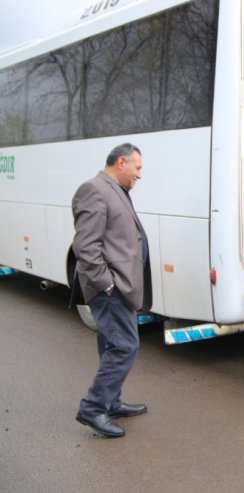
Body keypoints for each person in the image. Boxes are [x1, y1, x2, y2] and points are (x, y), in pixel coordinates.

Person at [72, 143, 152, 438]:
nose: (140, 175)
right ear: (122, 162)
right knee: (124, 346)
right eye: (138, 167)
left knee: (111, 344)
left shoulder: (115, 189)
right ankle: (93, 408)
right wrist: (106, 284)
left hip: (120, 286)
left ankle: (112, 401)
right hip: (110, 288)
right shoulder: (94, 189)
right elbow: (85, 246)